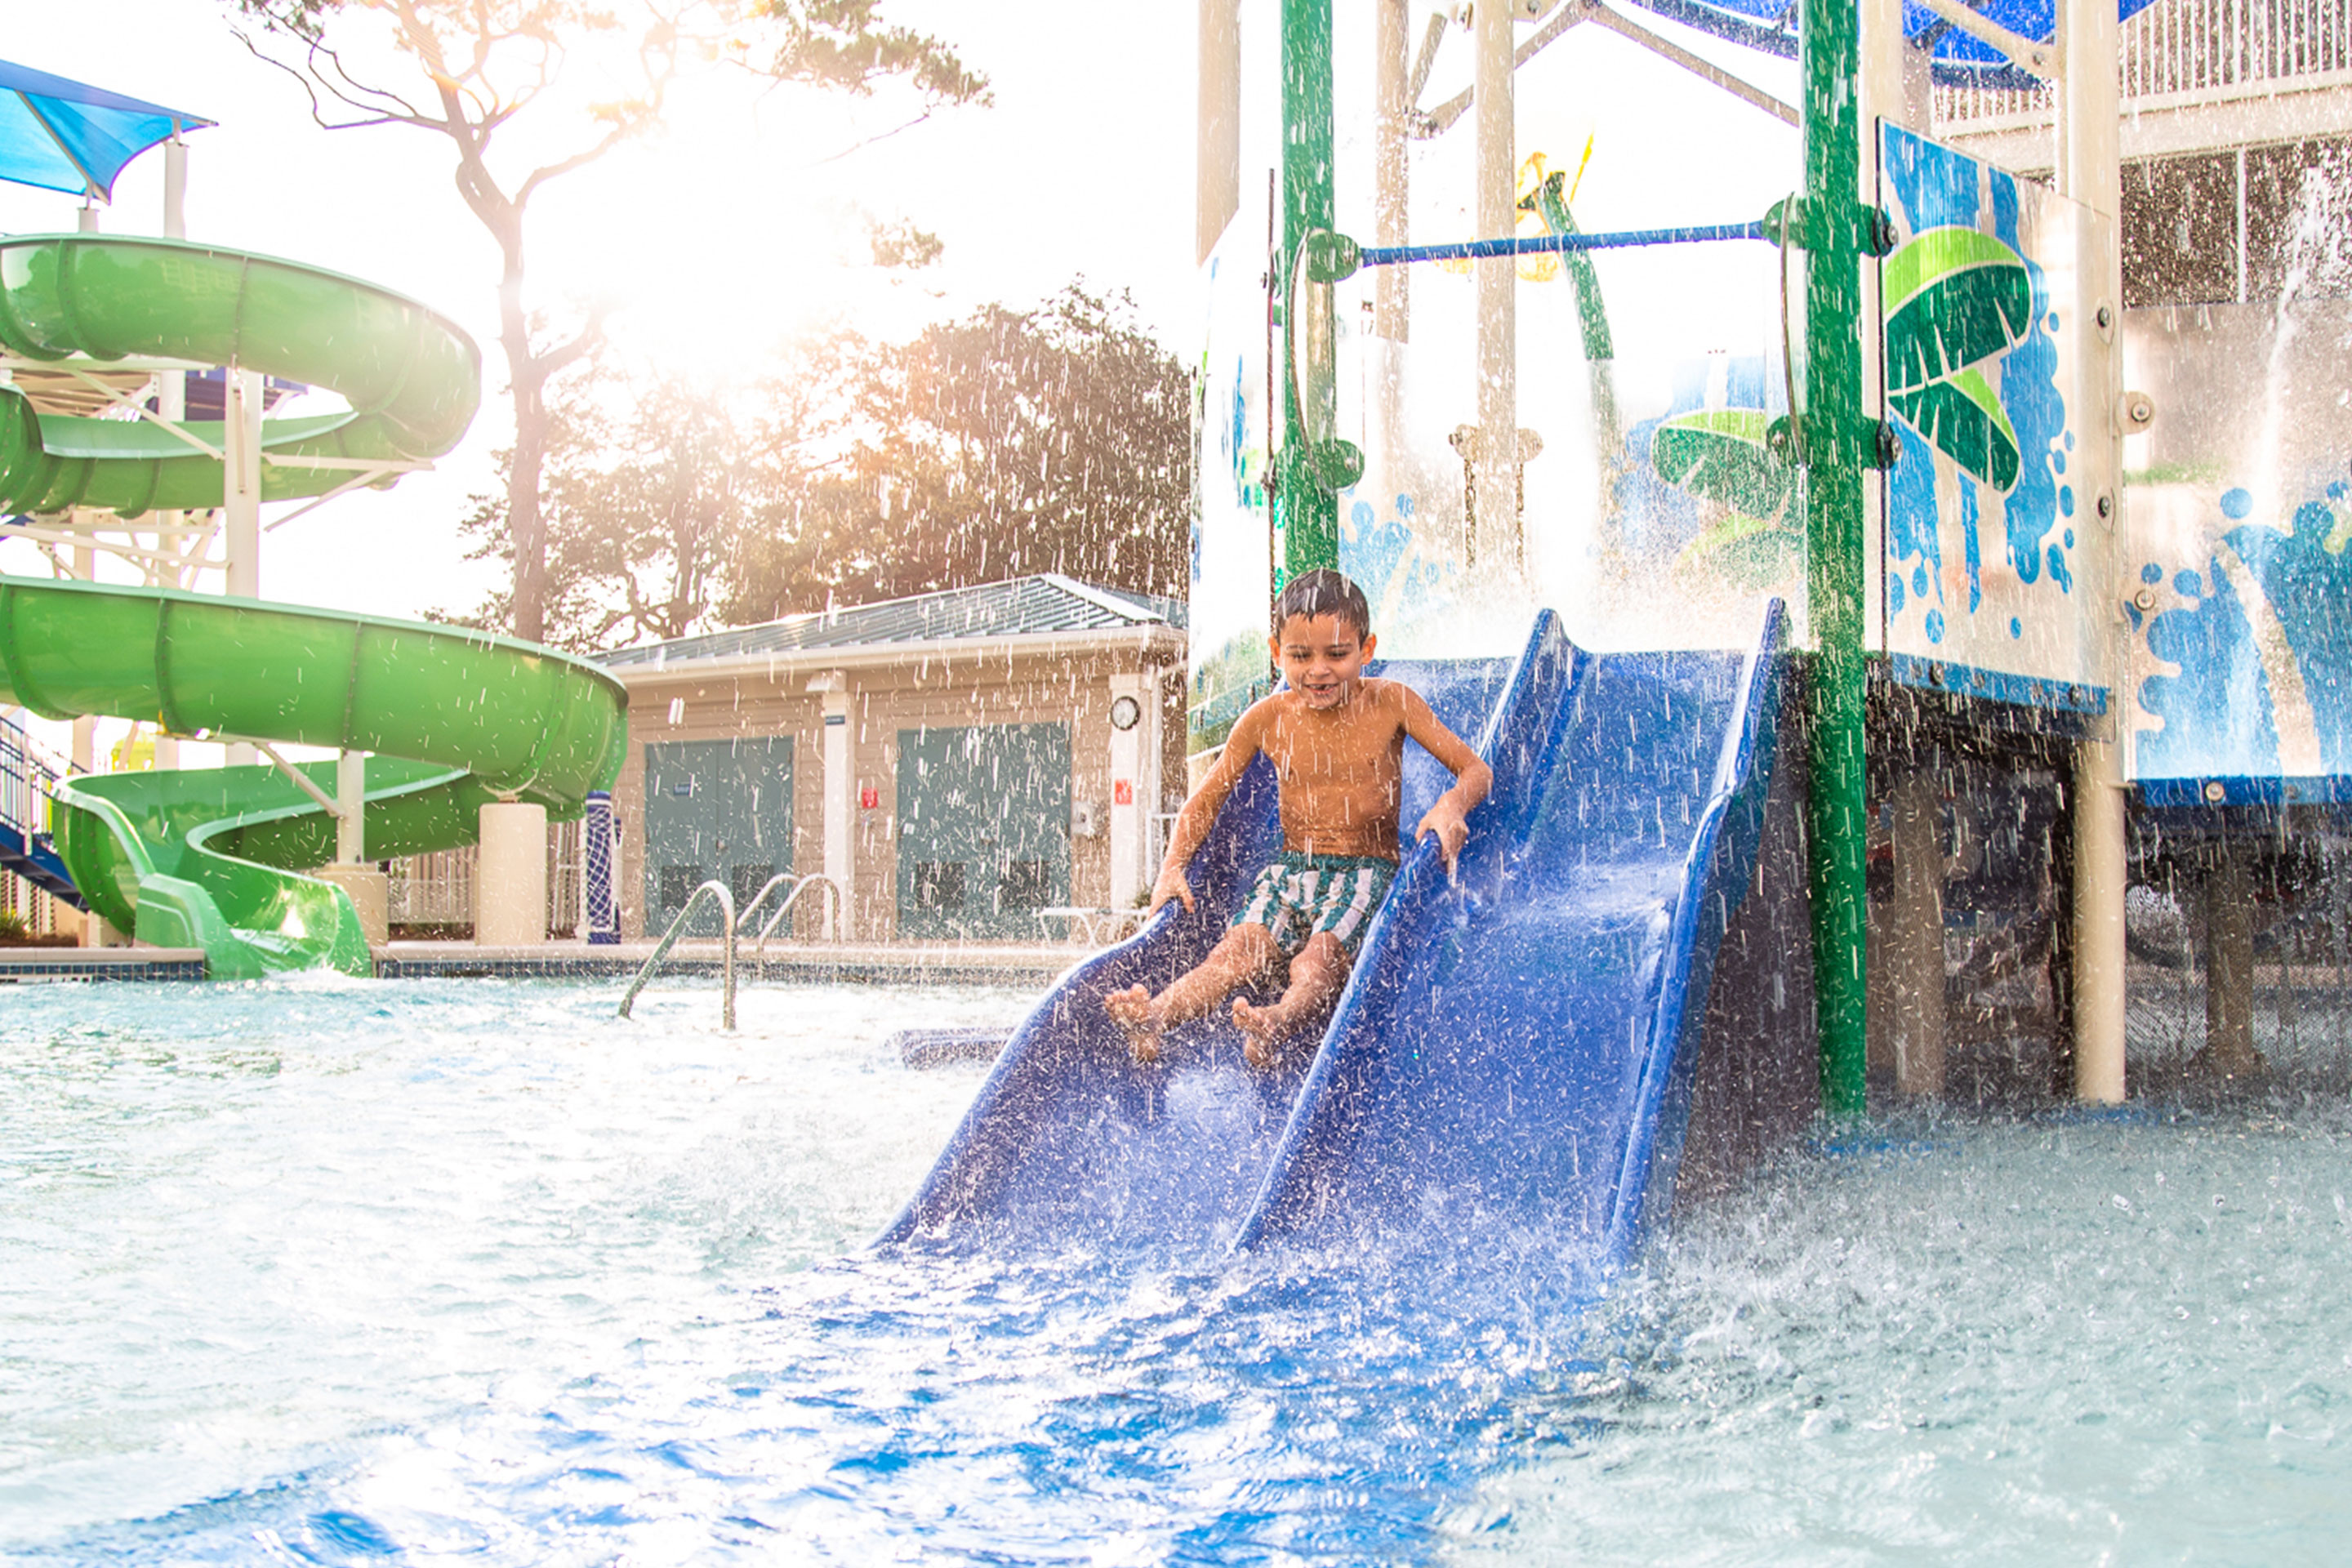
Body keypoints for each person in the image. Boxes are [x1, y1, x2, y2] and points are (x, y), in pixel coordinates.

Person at [1105, 569, 1491, 1069]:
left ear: (1366, 648)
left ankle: (1278, 1021)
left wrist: (1451, 805)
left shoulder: (1391, 703)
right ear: (1275, 651)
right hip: (1289, 870)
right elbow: (1207, 797)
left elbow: (1475, 770)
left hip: (1363, 871)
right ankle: (1155, 1016)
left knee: (1319, 960)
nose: (1318, 671)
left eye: (1337, 654)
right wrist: (1173, 864)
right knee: (1235, 951)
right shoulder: (1268, 718)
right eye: (1300, 656)